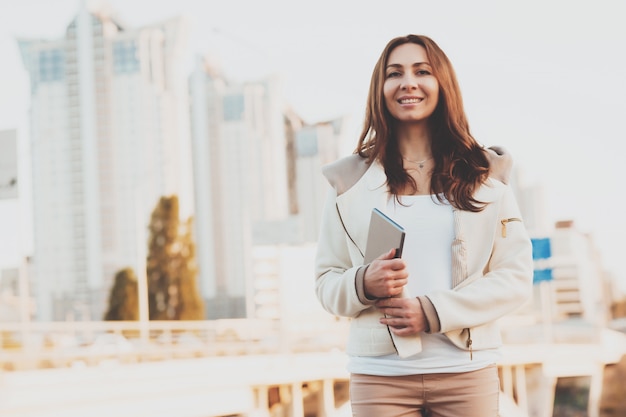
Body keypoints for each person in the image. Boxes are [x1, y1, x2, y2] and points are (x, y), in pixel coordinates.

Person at [314, 34, 533, 417]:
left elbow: (514, 278)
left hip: (467, 372)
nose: (408, 82)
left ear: (441, 85)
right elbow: (326, 281)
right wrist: (363, 282)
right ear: (380, 90)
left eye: (422, 71)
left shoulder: (486, 176)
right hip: (379, 377)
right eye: (394, 73)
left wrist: (430, 311)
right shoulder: (348, 182)